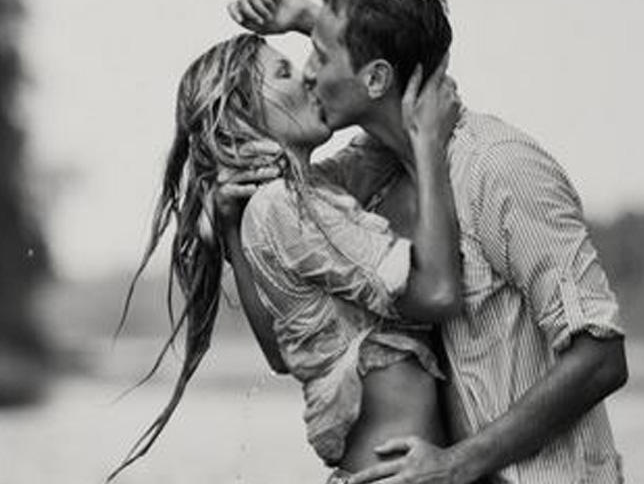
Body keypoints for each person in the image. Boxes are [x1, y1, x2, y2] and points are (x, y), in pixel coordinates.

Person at [223, 0, 629, 483]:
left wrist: (457, 463)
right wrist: (231, 220)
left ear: (375, 78)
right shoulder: (369, 181)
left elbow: (601, 358)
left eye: (319, 55)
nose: (306, 72)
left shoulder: (499, 169)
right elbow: (289, 341)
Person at [109, 32, 465, 482]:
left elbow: (283, 354)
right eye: (284, 73)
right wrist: (429, 149)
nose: (308, 77)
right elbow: (438, 294)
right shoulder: (282, 206)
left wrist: (310, 24)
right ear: (241, 117)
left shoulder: (307, 194)